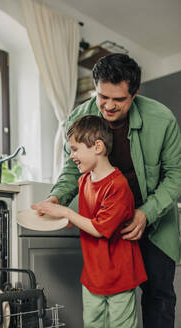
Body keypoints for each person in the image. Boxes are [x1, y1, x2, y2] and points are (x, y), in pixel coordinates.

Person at [33, 53, 181, 328]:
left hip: (154, 222)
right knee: (105, 303)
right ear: (95, 88)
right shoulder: (79, 116)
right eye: (103, 97)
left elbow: (176, 175)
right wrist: (56, 198)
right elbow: (70, 169)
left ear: (134, 93)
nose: (108, 106)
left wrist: (145, 213)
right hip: (106, 227)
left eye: (119, 99)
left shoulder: (162, 119)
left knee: (158, 297)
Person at [33, 115, 147, 328]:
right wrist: (62, 217)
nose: (72, 156)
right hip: (93, 276)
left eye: (75, 149)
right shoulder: (84, 180)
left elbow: (99, 228)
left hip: (119, 277)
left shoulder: (118, 186)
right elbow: (87, 219)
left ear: (98, 147)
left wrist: (67, 213)